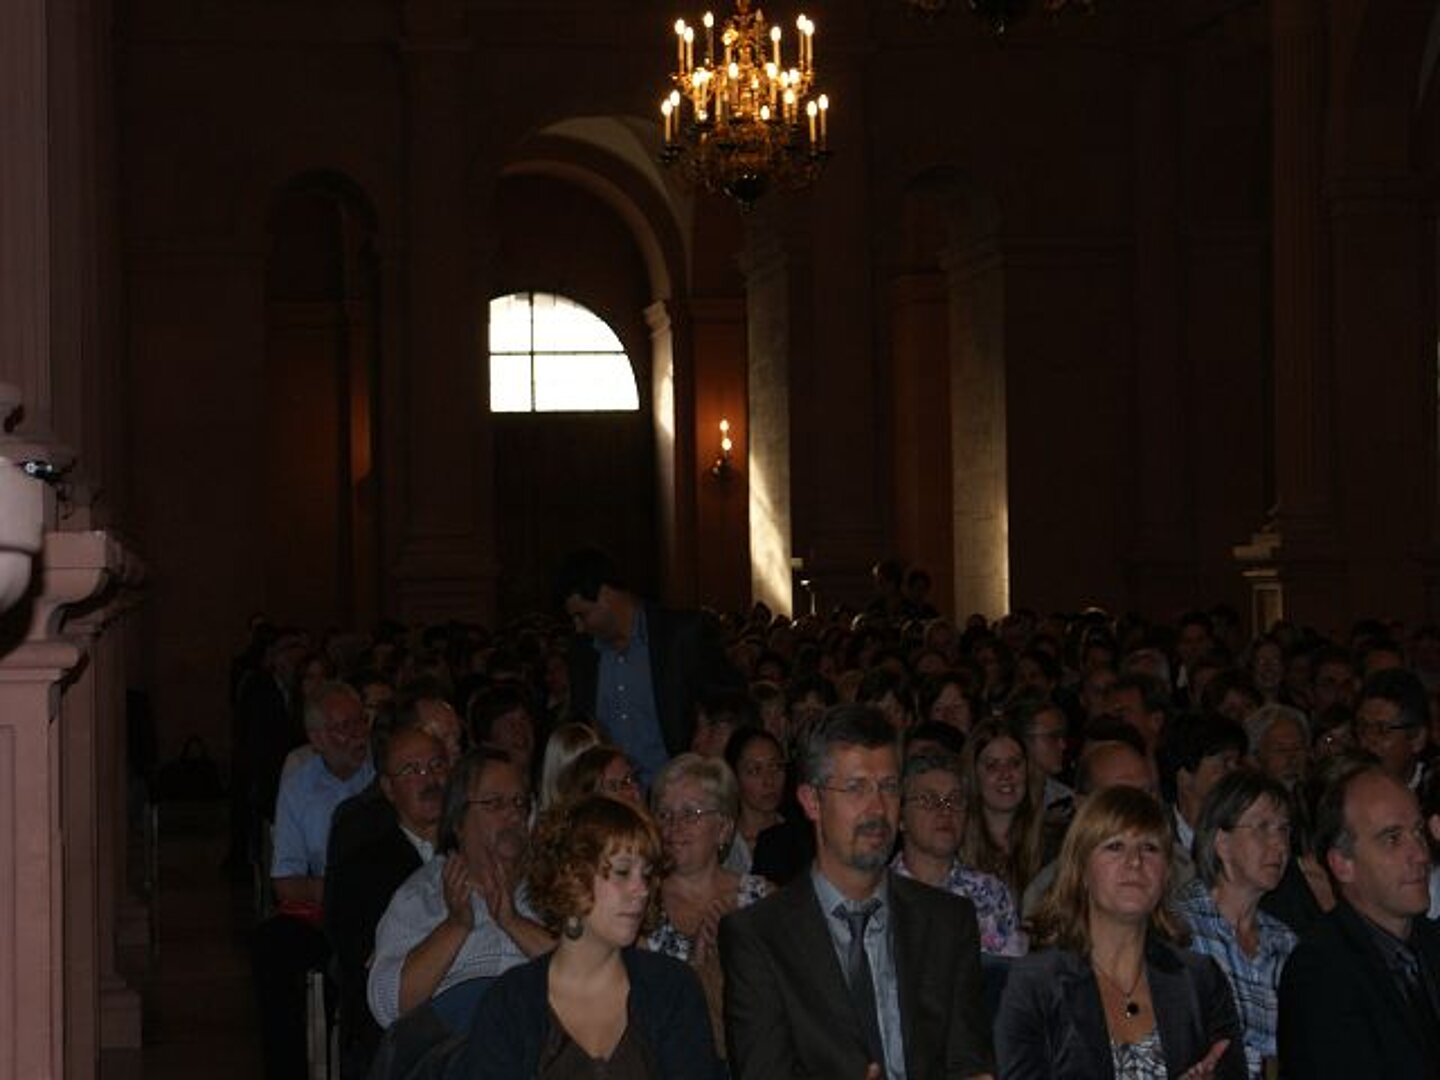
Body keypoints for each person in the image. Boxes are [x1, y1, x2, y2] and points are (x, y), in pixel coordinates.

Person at [719, 704, 996, 1079]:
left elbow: (969, 1062)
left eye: (889, 787)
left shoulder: (947, 921)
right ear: (811, 801)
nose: (877, 809)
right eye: (856, 788)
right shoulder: (759, 936)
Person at [460, 794, 725, 1077]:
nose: (642, 890)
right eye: (622, 872)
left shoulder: (671, 987)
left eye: (646, 875)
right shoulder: (512, 1004)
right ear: (571, 876)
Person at [994, 785, 1245, 1079]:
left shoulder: (1201, 980)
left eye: (1150, 848)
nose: (1135, 861)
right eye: (1115, 846)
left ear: (1166, 874)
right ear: (1081, 869)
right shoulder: (1035, 984)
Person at [368, 749, 553, 1030]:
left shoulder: (556, 887)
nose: (514, 814)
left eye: (520, 803)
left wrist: (513, 922)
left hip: (538, 1039)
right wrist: (455, 926)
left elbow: (592, 982)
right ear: (458, 821)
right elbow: (388, 1006)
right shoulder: (423, 894)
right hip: (455, 1042)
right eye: (494, 803)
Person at [1277, 759, 1440, 1077]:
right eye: (1392, 839)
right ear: (1343, 865)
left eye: (1418, 832)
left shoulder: (1431, 943)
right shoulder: (1320, 972)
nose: (1421, 854)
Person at [254, 681, 374, 1080]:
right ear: (317, 738)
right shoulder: (299, 783)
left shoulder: (383, 774)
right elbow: (286, 881)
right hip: (327, 911)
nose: (357, 735)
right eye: (344, 727)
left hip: (384, 910)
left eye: (361, 722)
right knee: (272, 947)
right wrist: (338, 891)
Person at [323, 722, 448, 1078]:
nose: (429, 779)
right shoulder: (361, 868)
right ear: (389, 789)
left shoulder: (474, 850)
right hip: (398, 1022)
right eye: (412, 770)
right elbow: (363, 961)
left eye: (437, 765)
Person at [558, 547, 741, 785]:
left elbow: (729, 706)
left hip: (682, 788)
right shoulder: (583, 653)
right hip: (612, 795)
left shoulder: (681, 636)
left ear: (605, 595)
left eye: (582, 615)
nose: (579, 627)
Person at [1173, 770, 1298, 1078]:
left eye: (1284, 830)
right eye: (1262, 828)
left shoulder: (1285, 941)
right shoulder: (1179, 927)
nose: (1279, 844)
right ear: (1222, 842)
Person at [646, 753, 771, 1054]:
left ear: (724, 828)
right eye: (664, 814)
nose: (674, 826)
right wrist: (697, 967)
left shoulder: (761, 898)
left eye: (690, 813)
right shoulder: (640, 902)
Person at [892, 750, 1027, 958]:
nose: (945, 811)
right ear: (900, 817)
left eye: (955, 800)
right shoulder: (879, 893)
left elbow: (1010, 974)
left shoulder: (990, 894)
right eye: (929, 800)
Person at [959, 720, 1047, 902]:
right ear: (973, 776)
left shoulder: (1053, 845)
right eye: (992, 765)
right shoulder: (955, 845)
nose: (1006, 774)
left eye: (1014, 763)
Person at [723, 727, 787, 874]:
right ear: (734, 777)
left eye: (776, 767)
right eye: (755, 770)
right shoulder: (722, 843)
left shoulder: (800, 838)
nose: (769, 781)